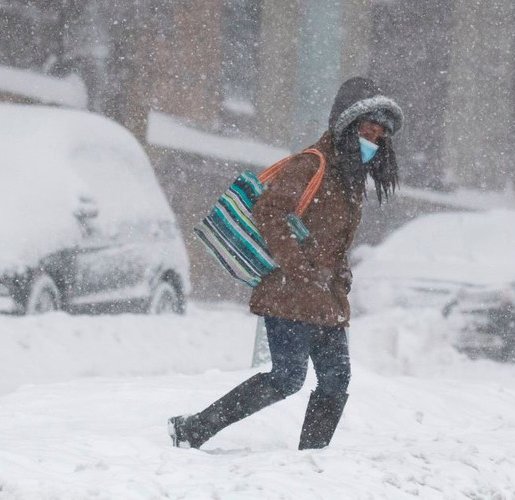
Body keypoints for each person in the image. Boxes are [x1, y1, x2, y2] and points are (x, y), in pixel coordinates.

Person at [168, 76, 404, 450]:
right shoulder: (313, 164)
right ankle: (193, 429)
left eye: (379, 136)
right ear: (346, 124)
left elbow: (329, 237)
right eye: (367, 130)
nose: (372, 141)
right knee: (287, 377)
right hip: (290, 292)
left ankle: (311, 459)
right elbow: (270, 211)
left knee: (336, 379)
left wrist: (339, 271)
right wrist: (299, 267)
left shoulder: (350, 179)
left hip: (324, 295)